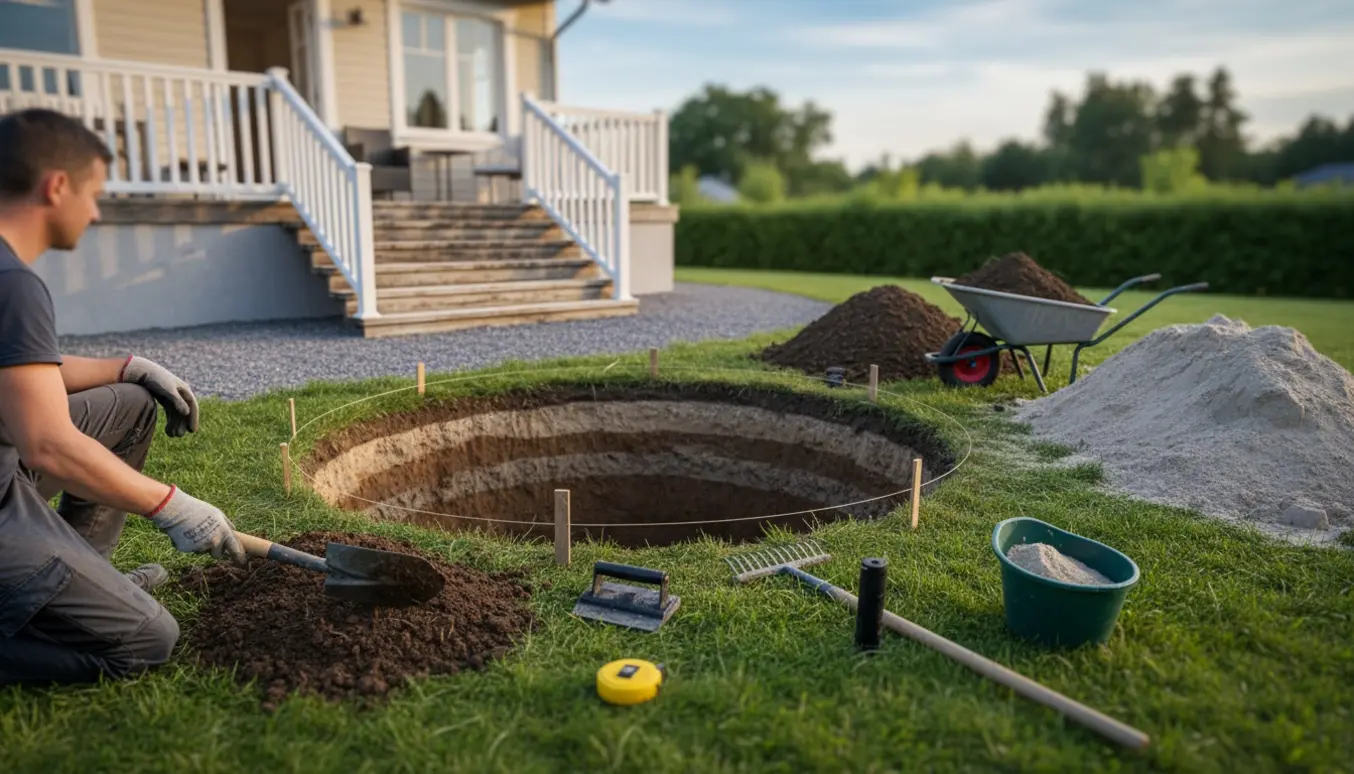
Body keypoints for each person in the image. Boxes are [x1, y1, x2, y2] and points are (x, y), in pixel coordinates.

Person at [0, 108, 246, 688]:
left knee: (133, 406)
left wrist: (130, 367)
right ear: (56, 186)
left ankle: (85, 575)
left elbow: (24, 370)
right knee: (148, 641)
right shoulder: (13, 284)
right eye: (94, 193)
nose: (97, 211)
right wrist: (174, 507)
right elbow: (49, 445)